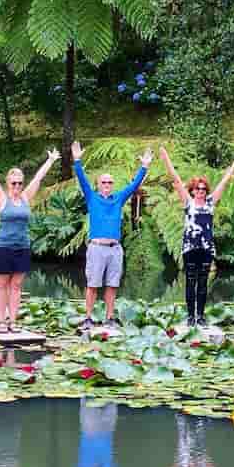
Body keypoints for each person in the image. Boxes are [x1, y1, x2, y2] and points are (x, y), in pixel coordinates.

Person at [0, 139, 59, 333]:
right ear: (8, 183)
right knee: (2, 284)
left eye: (20, 182)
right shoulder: (2, 199)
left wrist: (50, 161)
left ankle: (13, 320)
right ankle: (1, 321)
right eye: (14, 182)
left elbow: (38, 179)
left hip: (22, 247)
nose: (17, 185)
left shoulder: (26, 198)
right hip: (3, 247)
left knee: (17, 285)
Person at [72, 139, 153, 328]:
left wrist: (144, 166)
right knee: (93, 284)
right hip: (97, 248)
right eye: (104, 182)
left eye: (110, 182)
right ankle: (88, 318)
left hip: (115, 248)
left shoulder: (118, 198)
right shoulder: (92, 196)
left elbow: (134, 185)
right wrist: (77, 161)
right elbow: (82, 179)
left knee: (112, 284)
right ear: (98, 184)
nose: (107, 184)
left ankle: (109, 318)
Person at [158, 147, 234, 326]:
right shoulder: (188, 201)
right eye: (198, 188)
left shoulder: (211, 202)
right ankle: (190, 316)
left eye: (204, 188)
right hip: (190, 247)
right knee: (190, 281)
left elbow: (224, 183)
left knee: (203, 282)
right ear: (193, 190)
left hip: (206, 247)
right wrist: (166, 158)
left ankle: (201, 316)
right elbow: (176, 179)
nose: (201, 191)